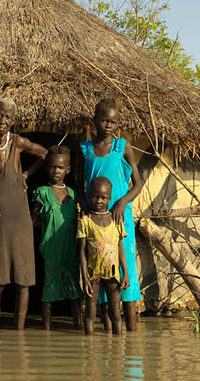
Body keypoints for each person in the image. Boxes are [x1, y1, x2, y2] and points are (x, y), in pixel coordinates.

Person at [0, 98, 47, 330]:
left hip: (19, 221)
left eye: (7, 117)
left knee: (23, 281)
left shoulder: (18, 143)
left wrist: (25, 174)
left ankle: (19, 333)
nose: (2, 121)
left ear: (13, 121)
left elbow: (45, 154)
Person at [77, 98, 143, 331]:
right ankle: (108, 344)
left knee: (126, 271)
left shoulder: (123, 147)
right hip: (96, 221)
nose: (108, 125)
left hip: (120, 218)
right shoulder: (86, 149)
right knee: (100, 269)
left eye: (113, 122)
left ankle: (132, 334)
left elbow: (138, 184)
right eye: (104, 120)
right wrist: (86, 213)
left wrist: (122, 202)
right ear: (95, 121)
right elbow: (79, 186)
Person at [30, 145, 83, 330]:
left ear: (67, 170)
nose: (56, 171)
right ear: (47, 168)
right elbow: (33, 221)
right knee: (48, 294)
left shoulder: (74, 194)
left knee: (76, 294)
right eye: (52, 167)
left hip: (71, 250)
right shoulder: (42, 193)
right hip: (51, 250)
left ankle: (78, 327)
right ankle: (47, 331)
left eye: (60, 168)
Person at [77, 177, 129, 336]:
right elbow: (82, 251)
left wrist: (125, 273)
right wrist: (85, 277)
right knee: (90, 312)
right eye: (94, 196)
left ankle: (118, 347)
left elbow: (120, 248)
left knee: (115, 313)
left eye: (103, 197)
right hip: (93, 274)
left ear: (109, 198)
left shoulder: (116, 220)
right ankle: (89, 349)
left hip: (113, 273)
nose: (98, 200)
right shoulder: (85, 221)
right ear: (89, 195)